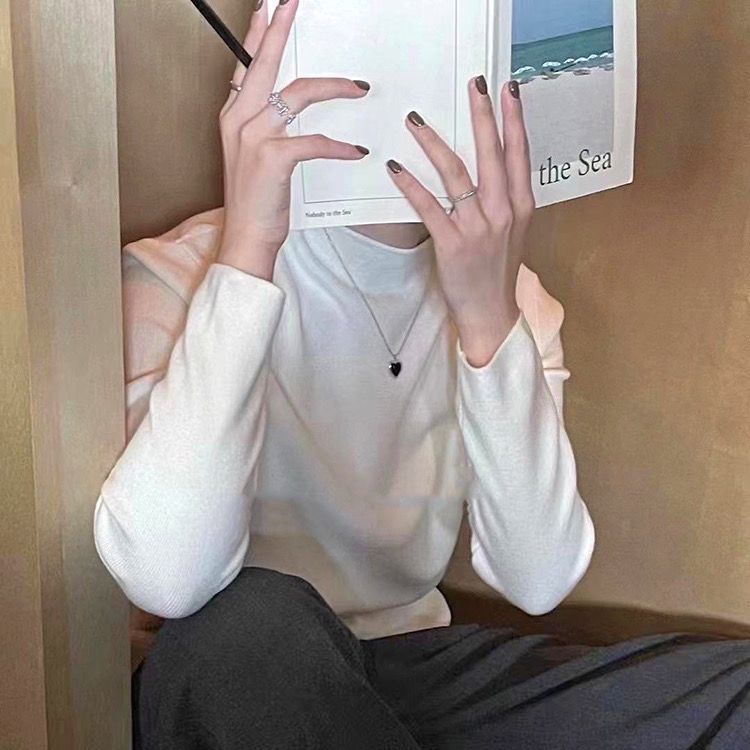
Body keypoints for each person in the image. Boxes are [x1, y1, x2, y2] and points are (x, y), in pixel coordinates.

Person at [94, 1, 750, 747]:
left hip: (420, 670)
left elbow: (537, 579)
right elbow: (168, 580)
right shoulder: (176, 276)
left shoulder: (516, 303)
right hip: (243, 679)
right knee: (247, 625)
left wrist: (489, 319)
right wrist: (248, 251)